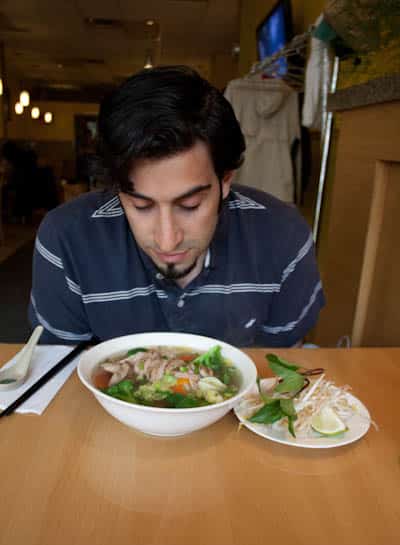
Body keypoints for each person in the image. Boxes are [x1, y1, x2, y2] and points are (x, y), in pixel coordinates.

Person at [29, 66, 325, 347]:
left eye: (190, 205)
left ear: (225, 180)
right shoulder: (66, 238)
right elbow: (57, 372)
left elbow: (285, 370)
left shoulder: (284, 237)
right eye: (141, 206)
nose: (167, 240)